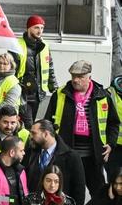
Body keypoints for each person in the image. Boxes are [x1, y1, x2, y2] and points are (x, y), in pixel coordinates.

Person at [47, 60, 117, 195]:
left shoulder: (102, 95)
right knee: (68, 193)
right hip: (66, 153)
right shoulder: (60, 94)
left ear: (89, 77)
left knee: (99, 192)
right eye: (73, 76)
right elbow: (48, 122)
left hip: (94, 155)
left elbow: (113, 123)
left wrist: (110, 144)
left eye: (80, 77)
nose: (75, 80)